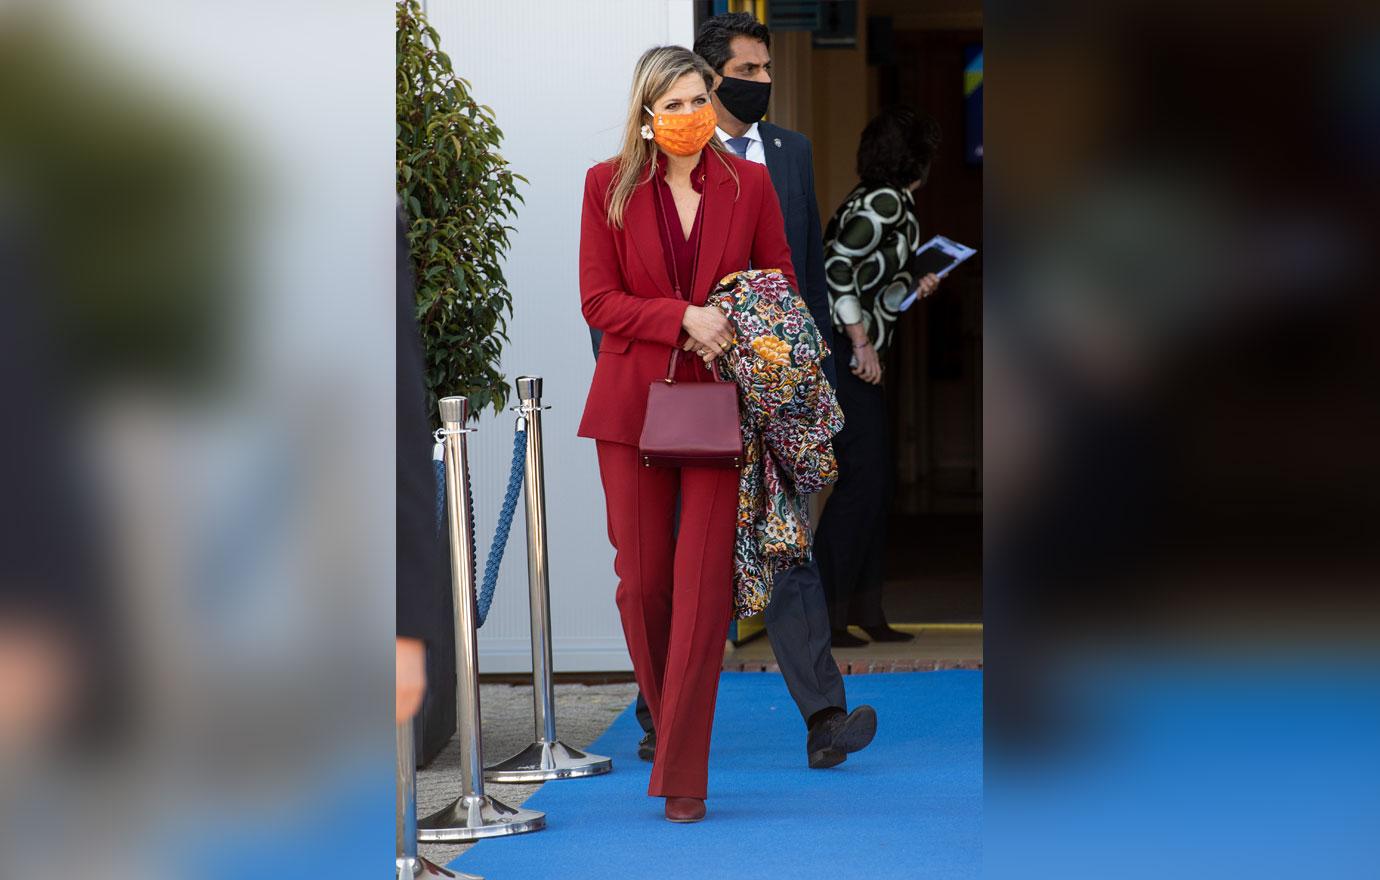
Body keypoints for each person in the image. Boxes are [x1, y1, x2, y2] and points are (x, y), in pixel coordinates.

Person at [578, 45, 794, 823]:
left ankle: (683, 774)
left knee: (705, 592)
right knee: (644, 584)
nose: (689, 115)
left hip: (719, 406)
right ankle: (673, 729)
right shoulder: (606, 186)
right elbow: (598, 301)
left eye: (698, 98)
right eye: (672, 105)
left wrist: (725, 325)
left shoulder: (753, 185)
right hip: (631, 405)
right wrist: (681, 319)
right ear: (646, 114)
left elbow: (780, 286)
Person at [816, 106, 943, 647]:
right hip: (850, 360)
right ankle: (826, 616)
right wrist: (862, 342)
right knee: (861, 485)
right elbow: (836, 268)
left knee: (873, 485)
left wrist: (915, 282)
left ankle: (863, 611)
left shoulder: (882, 200)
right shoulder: (886, 201)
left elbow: (871, 284)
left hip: (858, 360)